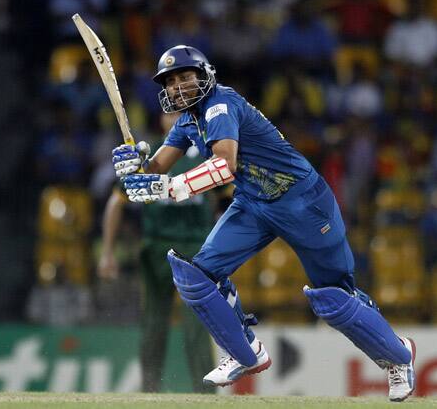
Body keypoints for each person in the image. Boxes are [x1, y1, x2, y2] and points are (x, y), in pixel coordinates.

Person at [110, 45, 416, 402]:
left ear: (204, 75)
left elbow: (225, 164)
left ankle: (398, 357)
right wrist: (136, 167)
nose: (178, 86)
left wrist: (170, 187)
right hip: (254, 203)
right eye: (171, 81)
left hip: (303, 201)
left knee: (333, 298)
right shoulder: (186, 123)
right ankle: (245, 352)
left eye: (185, 77)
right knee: (196, 277)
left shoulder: (221, 105)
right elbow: (156, 169)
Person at [98, 112, 215, 393]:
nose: (174, 118)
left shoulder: (209, 152)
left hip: (196, 250)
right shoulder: (149, 157)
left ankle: (206, 394)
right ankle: (150, 390)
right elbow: (116, 202)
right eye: (169, 113)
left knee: (198, 326)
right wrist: (107, 252)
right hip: (157, 248)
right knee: (153, 323)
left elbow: (229, 200)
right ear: (161, 119)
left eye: (181, 113)